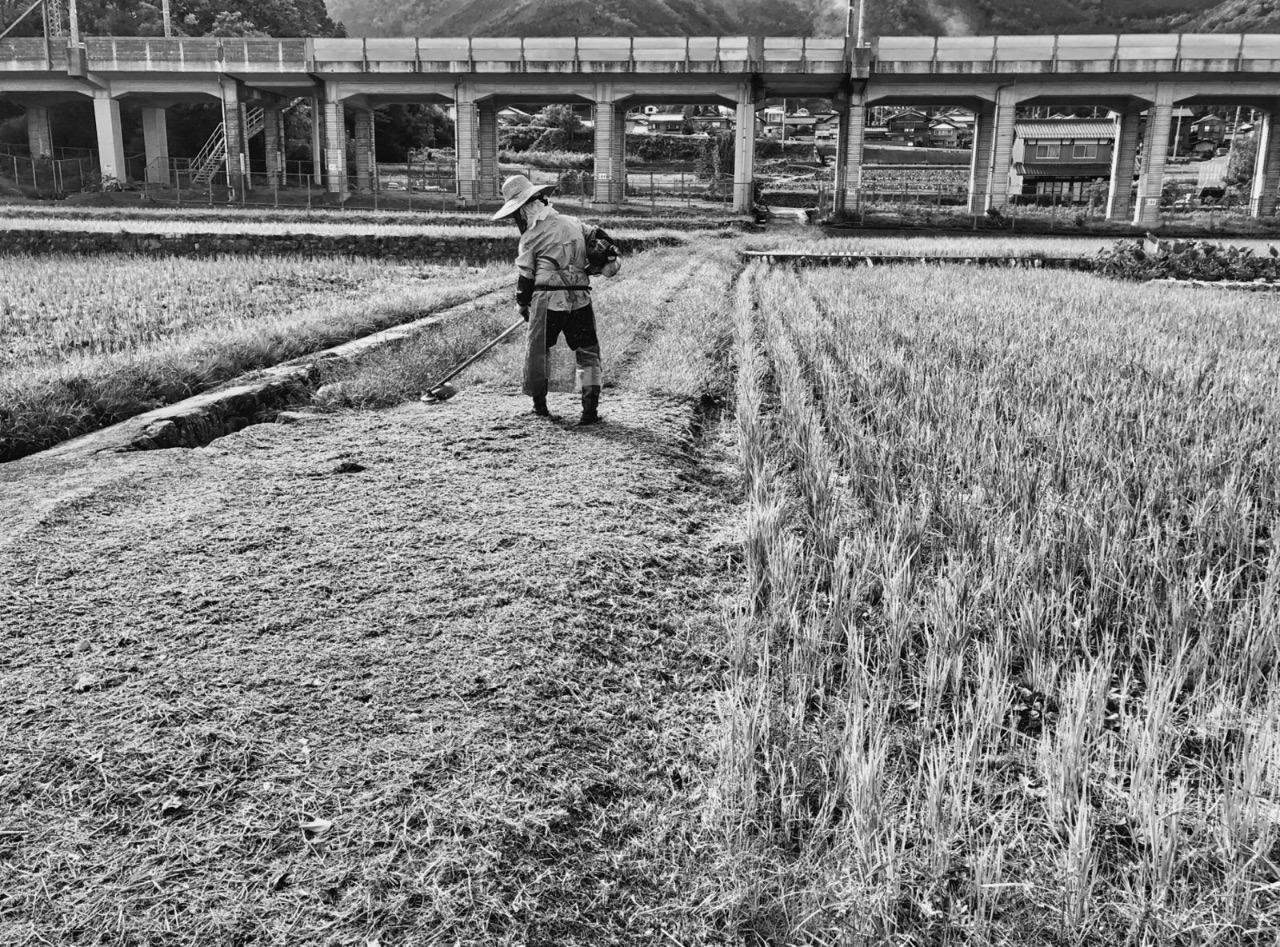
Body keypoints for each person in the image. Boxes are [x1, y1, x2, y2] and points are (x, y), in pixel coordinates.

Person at [491, 174, 617, 425]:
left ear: (526, 207)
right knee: (588, 353)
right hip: (580, 298)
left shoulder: (530, 237)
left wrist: (522, 304)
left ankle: (540, 409)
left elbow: (526, 276)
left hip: (546, 302)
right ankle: (590, 412)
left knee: (539, 354)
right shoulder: (576, 224)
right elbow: (605, 244)